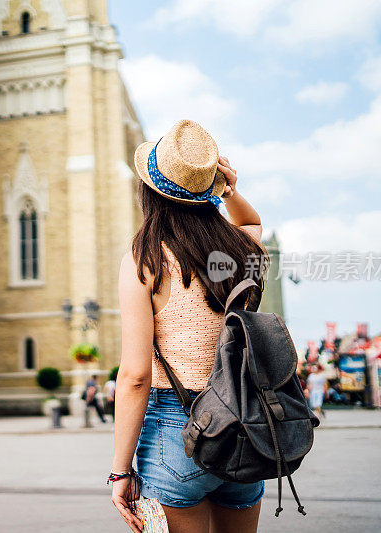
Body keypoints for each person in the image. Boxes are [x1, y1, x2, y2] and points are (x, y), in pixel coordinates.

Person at [111, 120, 267, 533]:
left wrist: (119, 471)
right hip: (245, 424)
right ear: (210, 188)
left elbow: (135, 376)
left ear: (149, 190)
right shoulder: (241, 249)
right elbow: (252, 224)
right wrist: (230, 192)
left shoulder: (144, 258)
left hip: (176, 427)